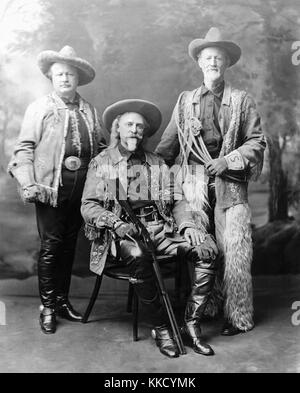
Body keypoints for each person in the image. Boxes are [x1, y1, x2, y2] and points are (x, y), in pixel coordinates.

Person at [81, 99, 218, 358]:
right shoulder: (103, 162)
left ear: (144, 132)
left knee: (207, 250)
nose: (134, 130)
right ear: (117, 128)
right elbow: (88, 205)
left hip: (161, 228)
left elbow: (177, 198)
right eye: (129, 124)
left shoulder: (156, 162)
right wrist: (116, 223)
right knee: (140, 257)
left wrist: (188, 225)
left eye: (140, 126)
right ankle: (163, 328)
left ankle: (191, 324)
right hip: (121, 236)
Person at [155, 27, 266, 335]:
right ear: (199, 63)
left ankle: (238, 316)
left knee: (235, 251)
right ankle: (208, 305)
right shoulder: (185, 101)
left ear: (227, 63)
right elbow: (167, 147)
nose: (213, 62)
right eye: (208, 57)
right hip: (194, 187)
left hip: (230, 187)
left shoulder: (242, 101)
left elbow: (257, 142)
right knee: (203, 248)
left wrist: (227, 161)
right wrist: (151, 173)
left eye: (219, 57)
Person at [8, 46, 106, 334]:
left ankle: (62, 302)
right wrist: (28, 182)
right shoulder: (40, 107)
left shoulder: (89, 109)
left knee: (68, 248)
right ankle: (48, 307)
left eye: (70, 74)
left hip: (82, 190)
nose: (65, 79)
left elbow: (100, 148)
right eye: (60, 74)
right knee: (51, 248)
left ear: (78, 79)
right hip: (51, 189)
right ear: (51, 77)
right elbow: (23, 149)